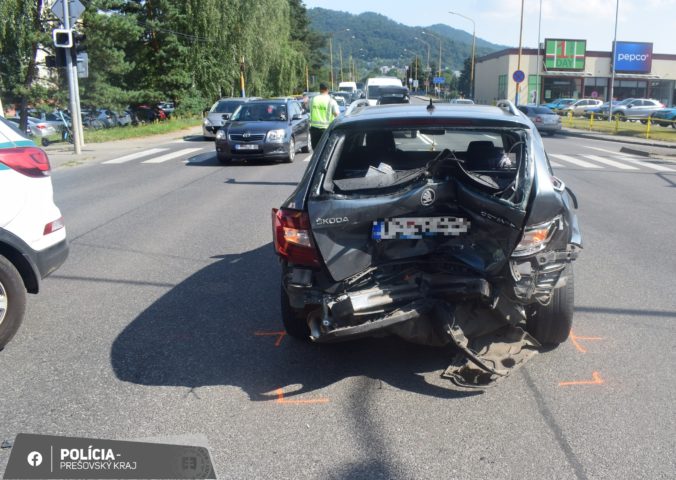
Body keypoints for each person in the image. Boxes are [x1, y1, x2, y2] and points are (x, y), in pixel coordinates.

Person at [309, 83, 339, 149]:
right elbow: (337, 115)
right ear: (327, 89)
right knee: (325, 150)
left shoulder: (313, 99)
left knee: (316, 150)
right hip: (326, 130)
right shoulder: (331, 101)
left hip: (314, 129)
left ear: (320, 89)